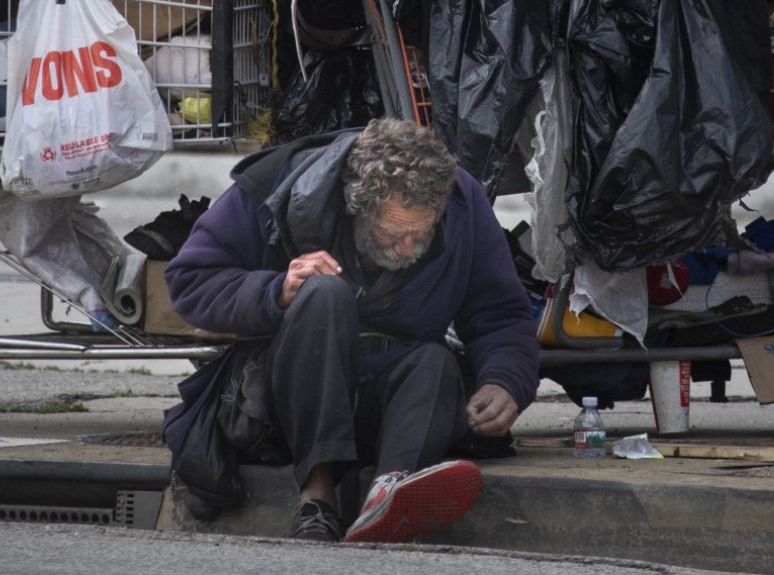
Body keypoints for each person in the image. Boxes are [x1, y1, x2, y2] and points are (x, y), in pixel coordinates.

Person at [161, 118, 540, 544]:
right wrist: (276, 291)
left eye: (422, 233)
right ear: (358, 204)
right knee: (323, 294)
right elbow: (191, 281)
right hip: (287, 399)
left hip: (388, 395)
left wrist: (504, 379)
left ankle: (390, 492)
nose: (408, 248)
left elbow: (500, 312)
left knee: (434, 361)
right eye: (394, 233)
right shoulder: (276, 185)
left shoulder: (462, 200)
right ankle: (317, 499)